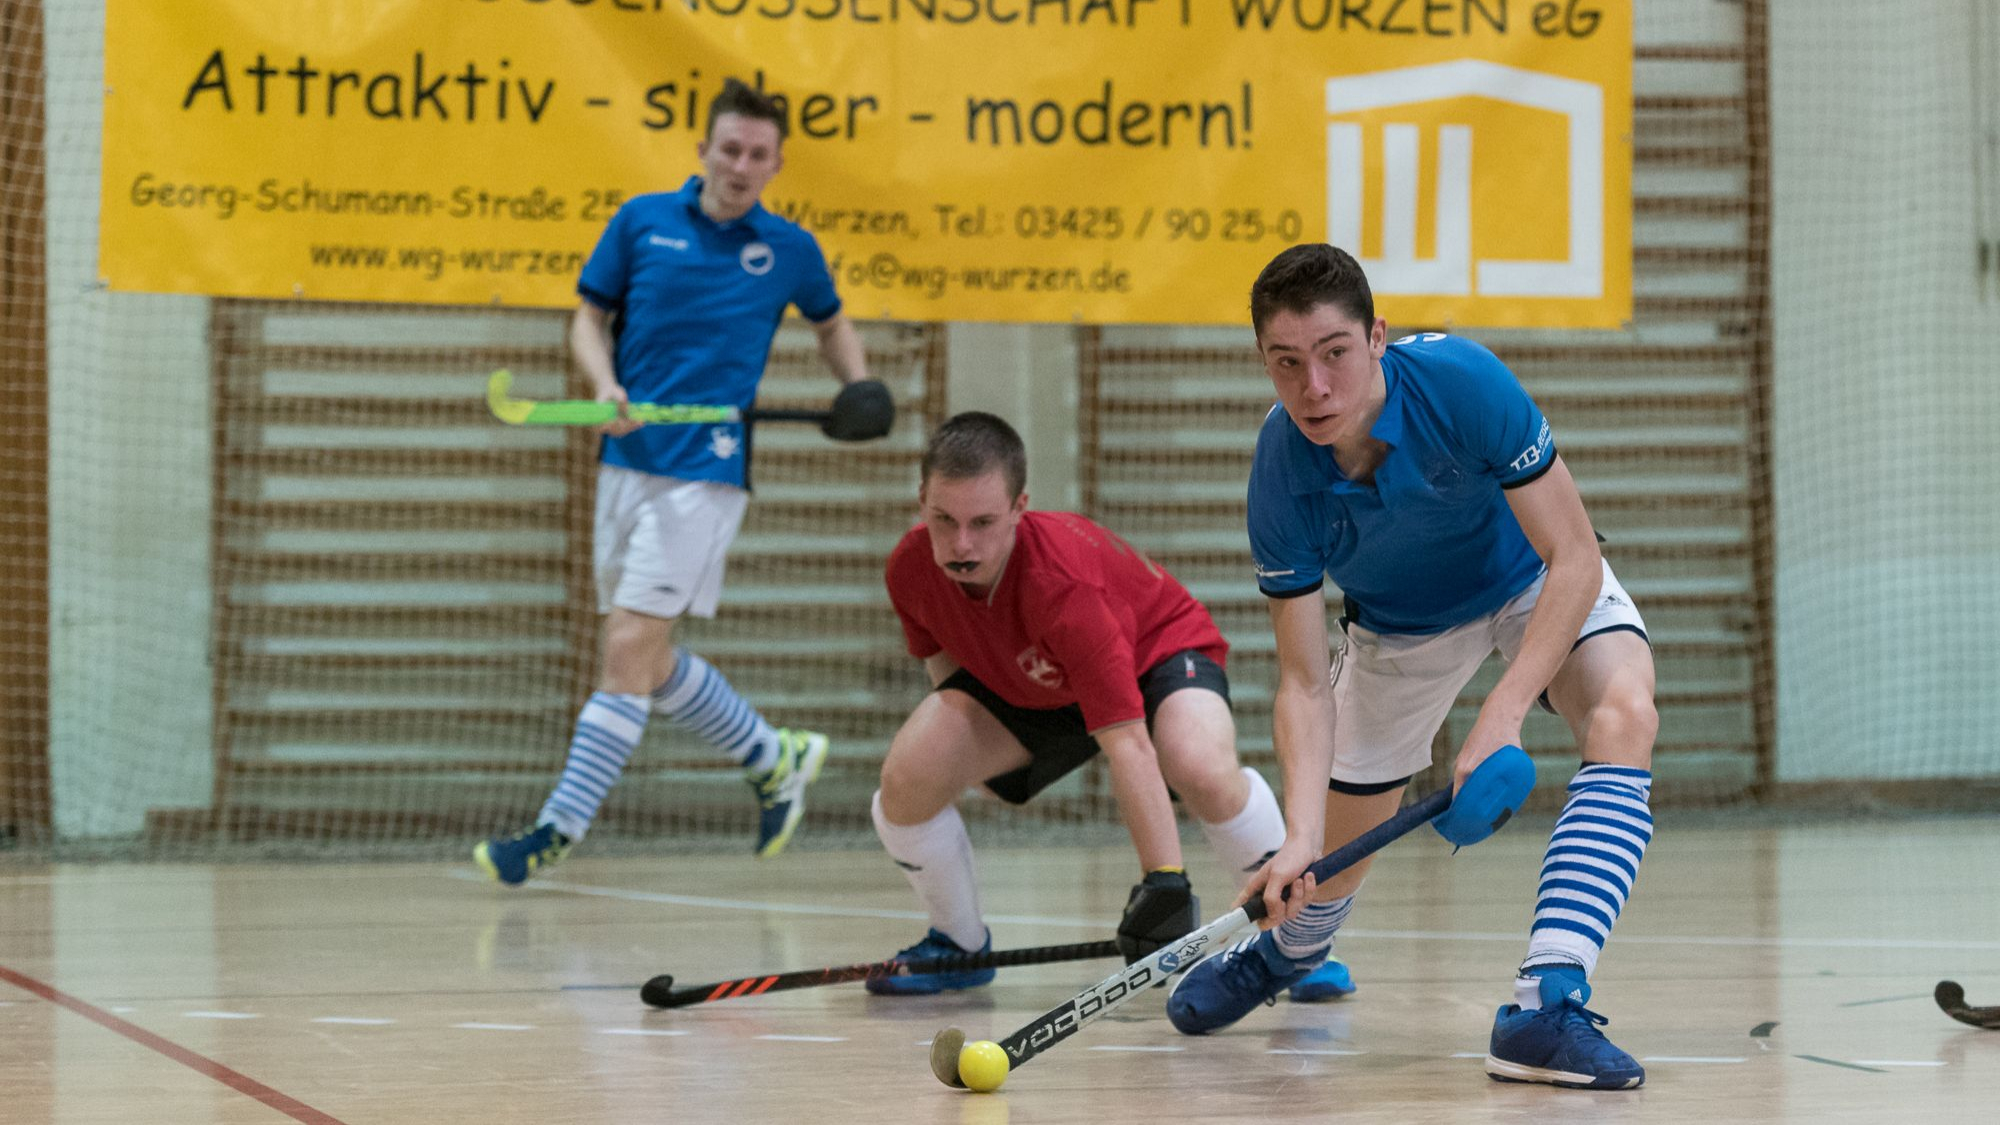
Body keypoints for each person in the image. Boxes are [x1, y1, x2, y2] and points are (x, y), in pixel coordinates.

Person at [1165, 244, 1657, 1091]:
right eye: (1286, 364)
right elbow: (1302, 679)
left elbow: (1573, 555)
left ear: (1377, 337)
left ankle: (1546, 1003)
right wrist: (1301, 840)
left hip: (1529, 580)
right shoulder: (1282, 475)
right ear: (1264, 364)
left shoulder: (1463, 381)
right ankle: (1290, 950)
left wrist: (1499, 716)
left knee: (1625, 715)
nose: (1314, 387)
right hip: (1399, 630)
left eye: (1333, 354)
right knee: (1335, 865)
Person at [476, 78, 878, 883]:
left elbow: (831, 322)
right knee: (648, 656)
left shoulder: (789, 249)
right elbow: (588, 317)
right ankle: (774, 754)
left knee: (626, 644)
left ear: (776, 163)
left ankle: (555, 831)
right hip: (627, 461)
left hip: (708, 468)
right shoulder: (641, 222)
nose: (741, 164)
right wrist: (603, 386)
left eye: (757, 154)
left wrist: (858, 388)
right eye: (729, 148)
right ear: (703, 150)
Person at [863, 412, 1352, 1001]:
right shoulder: (909, 568)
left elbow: (1129, 744)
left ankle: (1299, 943)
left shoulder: (1062, 587)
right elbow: (952, 673)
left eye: (983, 522)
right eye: (944, 520)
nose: (962, 545)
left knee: (1198, 766)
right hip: (1040, 683)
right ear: (921, 500)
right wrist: (974, 757)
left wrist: (1163, 882)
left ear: (1020, 506)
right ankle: (958, 946)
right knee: (907, 780)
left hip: (1157, 656)